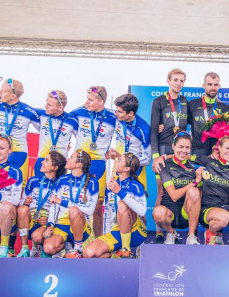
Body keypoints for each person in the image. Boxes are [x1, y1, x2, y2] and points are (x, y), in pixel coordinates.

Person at [70, 86, 117, 237]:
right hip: (79, 164)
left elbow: (126, 130)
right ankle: (77, 241)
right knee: (75, 203)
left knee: (97, 207)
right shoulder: (79, 111)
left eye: (90, 100)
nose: (87, 102)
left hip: (98, 165)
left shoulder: (113, 116)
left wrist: (113, 151)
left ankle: (98, 240)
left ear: (101, 101)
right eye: (87, 99)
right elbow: (63, 122)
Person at [151, 69, 189, 243]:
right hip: (163, 150)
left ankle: (175, 229)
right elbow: (154, 129)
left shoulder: (184, 101)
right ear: (168, 81)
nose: (178, 84)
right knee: (161, 190)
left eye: (181, 81)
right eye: (175, 80)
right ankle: (159, 232)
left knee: (179, 187)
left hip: (179, 151)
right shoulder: (158, 101)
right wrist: (156, 156)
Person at [84, 153, 148, 259]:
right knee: (89, 253)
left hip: (135, 232)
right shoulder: (111, 185)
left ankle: (126, 250)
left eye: (119, 160)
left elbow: (142, 211)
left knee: (122, 204)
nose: (116, 162)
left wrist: (120, 192)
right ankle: (117, 255)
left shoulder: (136, 186)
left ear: (126, 168)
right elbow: (108, 215)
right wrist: (106, 238)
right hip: (116, 231)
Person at [43, 150, 99, 258]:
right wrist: (50, 224)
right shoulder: (62, 179)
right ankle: (67, 245)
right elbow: (54, 204)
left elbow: (90, 210)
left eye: (71, 157)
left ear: (78, 164)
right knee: (48, 248)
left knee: (73, 210)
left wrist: (63, 202)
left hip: (81, 227)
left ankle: (78, 250)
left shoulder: (92, 182)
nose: (67, 159)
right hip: (61, 226)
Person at [152, 132, 203, 245]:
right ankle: (171, 232)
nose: (184, 150)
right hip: (169, 214)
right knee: (158, 213)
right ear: (173, 146)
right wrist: (194, 182)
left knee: (194, 191)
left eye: (187, 147)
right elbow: (174, 196)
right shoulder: (164, 164)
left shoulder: (195, 165)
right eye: (180, 147)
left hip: (186, 214)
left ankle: (191, 236)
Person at [17, 151, 67, 257]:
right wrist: (25, 202)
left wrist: (50, 221)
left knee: (37, 237)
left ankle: (60, 246)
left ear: (55, 167)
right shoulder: (33, 180)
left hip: (48, 223)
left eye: (46, 160)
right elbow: (21, 202)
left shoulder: (61, 184)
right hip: (30, 220)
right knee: (22, 209)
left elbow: (62, 209)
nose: (42, 162)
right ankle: (25, 248)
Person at [110, 93, 151, 191]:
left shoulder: (143, 130)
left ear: (130, 113)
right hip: (118, 169)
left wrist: (126, 161)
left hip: (136, 172)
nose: (116, 113)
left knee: (135, 200)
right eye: (116, 110)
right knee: (113, 199)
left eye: (120, 112)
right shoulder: (117, 117)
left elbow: (147, 159)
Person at [34, 90, 78, 178]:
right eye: (46, 103)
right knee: (39, 186)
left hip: (60, 163)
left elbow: (82, 139)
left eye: (49, 105)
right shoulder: (41, 114)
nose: (45, 106)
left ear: (60, 107)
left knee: (59, 186)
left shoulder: (72, 120)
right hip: (42, 160)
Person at [187, 72, 224, 156]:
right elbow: (183, 123)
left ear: (219, 86)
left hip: (216, 150)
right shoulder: (192, 104)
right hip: (197, 150)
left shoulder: (223, 107)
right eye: (210, 84)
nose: (213, 88)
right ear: (204, 86)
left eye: (215, 85)